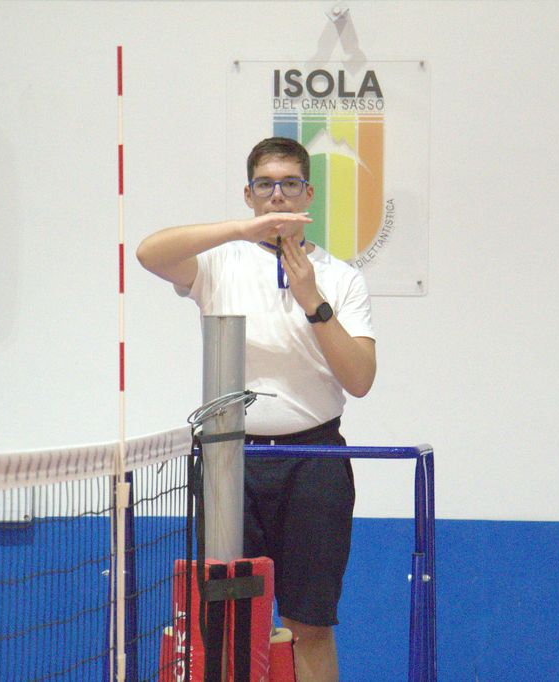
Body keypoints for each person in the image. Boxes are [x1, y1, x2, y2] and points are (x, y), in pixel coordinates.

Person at [137, 137, 376, 681]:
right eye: (265, 185)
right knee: (225, 621)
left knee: (308, 626)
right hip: (230, 461)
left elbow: (360, 379)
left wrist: (313, 299)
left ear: (308, 193)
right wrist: (243, 232)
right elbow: (149, 252)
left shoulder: (341, 277)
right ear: (249, 195)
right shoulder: (218, 264)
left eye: (289, 183)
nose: (277, 195)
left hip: (313, 462)